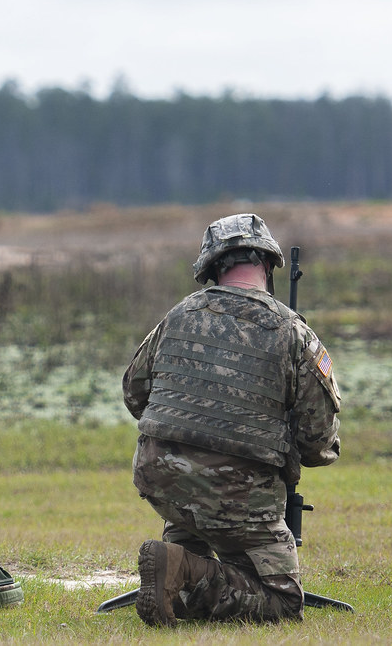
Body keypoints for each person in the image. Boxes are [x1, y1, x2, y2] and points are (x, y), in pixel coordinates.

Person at [122, 213, 341, 626]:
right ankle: (182, 569)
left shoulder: (177, 315)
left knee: (193, 504)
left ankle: (182, 560)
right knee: (282, 603)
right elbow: (318, 443)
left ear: (212, 268)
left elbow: (135, 393)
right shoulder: (292, 332)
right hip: (240, 497)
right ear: (269, 264)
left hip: (162, 481)